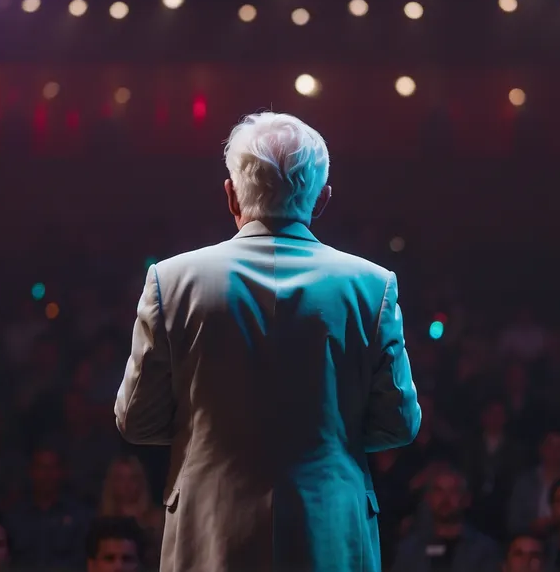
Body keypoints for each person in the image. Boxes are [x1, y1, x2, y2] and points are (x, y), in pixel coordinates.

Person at [115, 111, 422, 572]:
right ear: (322, 200)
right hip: (330, 533)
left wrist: (203, 434)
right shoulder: (371, 285)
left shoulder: (172, 280)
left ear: (231, 194)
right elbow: (398, 424)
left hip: (210, 532)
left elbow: (137, 420)